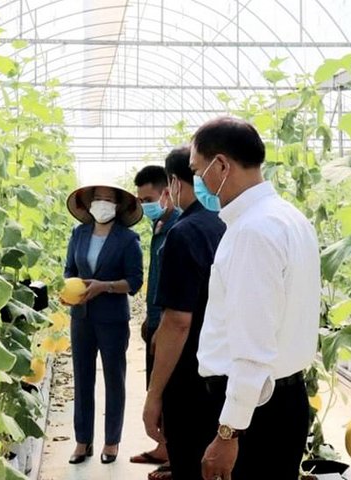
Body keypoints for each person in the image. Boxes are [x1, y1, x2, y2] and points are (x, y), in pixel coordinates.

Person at [190, 117, 320, 480]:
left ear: (221, 165)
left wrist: (228, 432)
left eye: (198, 171)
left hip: (255, 414)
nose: (198, 181)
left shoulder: (252, 232)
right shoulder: (289, 218)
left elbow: (252, 346)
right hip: (283, 400)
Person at [142, 147, 225, 480]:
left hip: (189, 373)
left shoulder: (183, 232)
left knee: (189, 460)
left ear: (174, 183)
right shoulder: (226, 223)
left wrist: (154, 396)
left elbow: (177, 322)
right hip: (222, 372)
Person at [64, 184, 144, 465]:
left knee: (114, 379)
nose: (102, 204)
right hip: (81, 317)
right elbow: (69, 270)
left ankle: (111, 441)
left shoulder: (128, 239)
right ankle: (82, 441)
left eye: (108, 200)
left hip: (112, 319)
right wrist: (69, 290)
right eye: (97, 199)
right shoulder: (79, 234)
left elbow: (135, 281)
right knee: (82, 378)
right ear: (89, 204)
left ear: (118, 206)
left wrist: (105, 286)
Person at [131, 166, 180, 473]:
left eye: (148, 199)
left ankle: (175, 455)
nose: (144, 205)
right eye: (140, 200)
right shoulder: (159, 224)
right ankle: (164, 448)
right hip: (156, 318)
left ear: (166, 193)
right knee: (155, 382)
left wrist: (161, 322)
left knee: (168, 390)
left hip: (167, 323)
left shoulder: (177, 228)